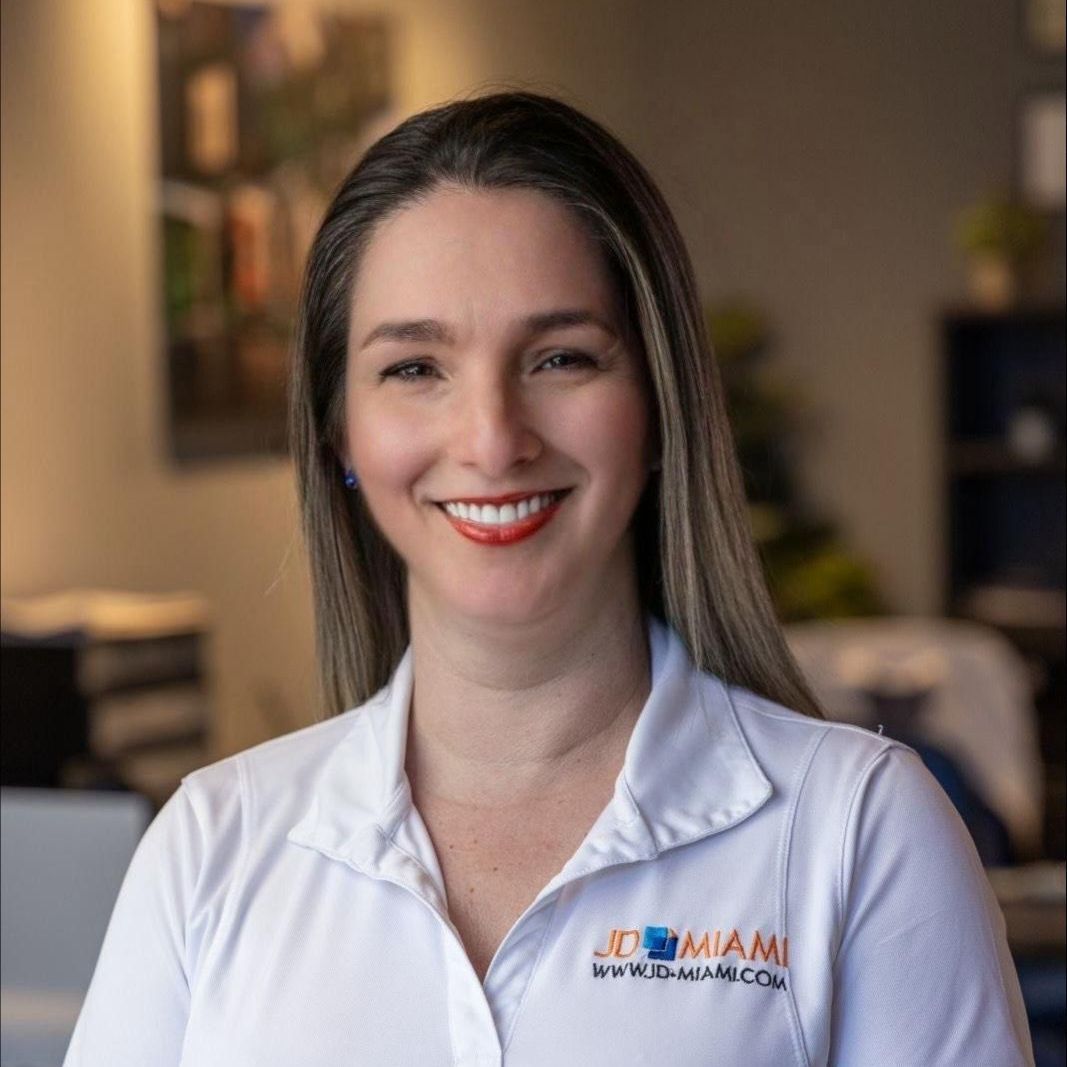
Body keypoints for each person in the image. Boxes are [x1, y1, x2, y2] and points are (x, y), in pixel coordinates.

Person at [65, 92, 1033, 1066]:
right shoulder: (210, 849)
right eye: (414, 367)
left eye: (561, 357)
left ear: (657, 405)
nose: (492, 439)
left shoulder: (857, 833)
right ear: (337, 433)